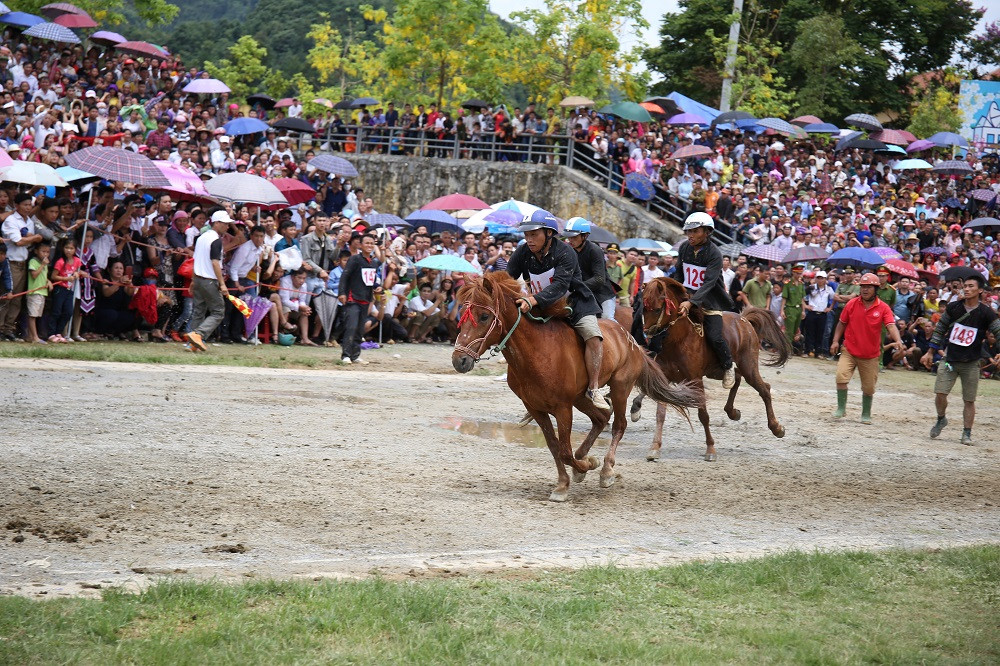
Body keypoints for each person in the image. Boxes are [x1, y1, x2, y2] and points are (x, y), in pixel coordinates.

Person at [507, 209, 608, 410]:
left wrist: (533, 299)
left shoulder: (565, 252)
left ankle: (594, 388)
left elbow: (561, 286)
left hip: (573, 302)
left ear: (549, 233)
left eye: (534, 234)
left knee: (592, 335)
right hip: (540, 304)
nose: (529, 239)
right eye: (526, 235)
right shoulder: (522, 252)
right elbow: (507, 277)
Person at [922, 274, 1000, 446]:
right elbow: (939, 330)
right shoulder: (953, 307)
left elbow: (998, 332)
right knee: (940, 393)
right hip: (949, 359)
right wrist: (929, 352)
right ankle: (941, 418)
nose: (966, 289)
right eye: (965, 286)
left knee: (969, 400)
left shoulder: (987, 312)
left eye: (971, 286)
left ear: (980, 290)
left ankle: (966, 433)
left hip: (972, 362)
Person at [829, 272, 904, 424]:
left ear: (876, 289)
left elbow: (890, 325)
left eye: (869, 287)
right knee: (840, 377)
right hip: (849, 349)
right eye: (863, 286)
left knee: (869, 388)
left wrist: (898, 340)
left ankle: (866, 413)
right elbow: (842, 323)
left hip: (870, 354)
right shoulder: (851, 304)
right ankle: (841, 408)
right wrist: (835, 341)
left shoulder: (883, 308)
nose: (865, 290)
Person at [673, 211, 737, 388]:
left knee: (715, 336)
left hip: (709, 300)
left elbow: (709, 283)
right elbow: (679, 273)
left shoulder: (715, 253)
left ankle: (728, 365)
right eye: (688, 231)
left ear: (707, 231)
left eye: (695, 231)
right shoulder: (684, 247)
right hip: (685, 296)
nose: (690, 235)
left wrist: (691, 302)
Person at [185, 210, 232, 352]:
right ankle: (198, 335)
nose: (228, 227)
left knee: (199, 311)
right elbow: (215, 263)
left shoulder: (201, 238)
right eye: (225, 224)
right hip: (209, 280)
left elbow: (196, 259)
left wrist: (193, 280)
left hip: (198, 278)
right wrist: (222, 284)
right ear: (217, 223)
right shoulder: (216, 240)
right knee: (218, 311)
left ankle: (191, 344)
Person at [337, 233, 382, 365]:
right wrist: (342, 293)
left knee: (359, 329)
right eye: (367, 243)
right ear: (361, 245)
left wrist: (376, 288)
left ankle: (355, 355)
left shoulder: (373, 263)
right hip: (353, 298)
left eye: (372, 243)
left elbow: (370, 281)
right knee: (351, 326)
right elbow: (345, 276)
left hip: (366, 299)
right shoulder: (355, 259)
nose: (369, 245)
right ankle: (345, 354)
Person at [561, 217, 617, 320]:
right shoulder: (569, 251)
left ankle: (622, 335)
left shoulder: (595, 250)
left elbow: (599, 279)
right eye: (569, 237)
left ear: (585, 236)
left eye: (574, 237)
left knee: (607, 318)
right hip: (583, 292)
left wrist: (576, 288)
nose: (570, 240)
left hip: (602, 294)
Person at [803, 270, 834, 357]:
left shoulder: (829, 289)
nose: (820, 280)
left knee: (820, 333)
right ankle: (807, 350)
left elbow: (834, 298)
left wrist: (830, 307)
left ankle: (818, 352)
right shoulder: (811, 287)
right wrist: (805, 306)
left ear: (825, 279)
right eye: (818, 278)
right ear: (816, 279)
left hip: (822, 313)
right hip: (812, 312)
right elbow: (802, 296)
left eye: (822, 278)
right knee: (809, 332)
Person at [781, 265, 806, 350]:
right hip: (790, 308)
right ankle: (787, 349)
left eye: (800, 273)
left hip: (798, 309)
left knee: (795, 330)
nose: (799, 275)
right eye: (797, 273)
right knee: (789, 330)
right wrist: (782, 311)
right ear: (793, 272)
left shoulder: (801, 284)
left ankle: (789, 347)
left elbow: (802, 298)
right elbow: (784, 298)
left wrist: (803, 310)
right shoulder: (788, 284)